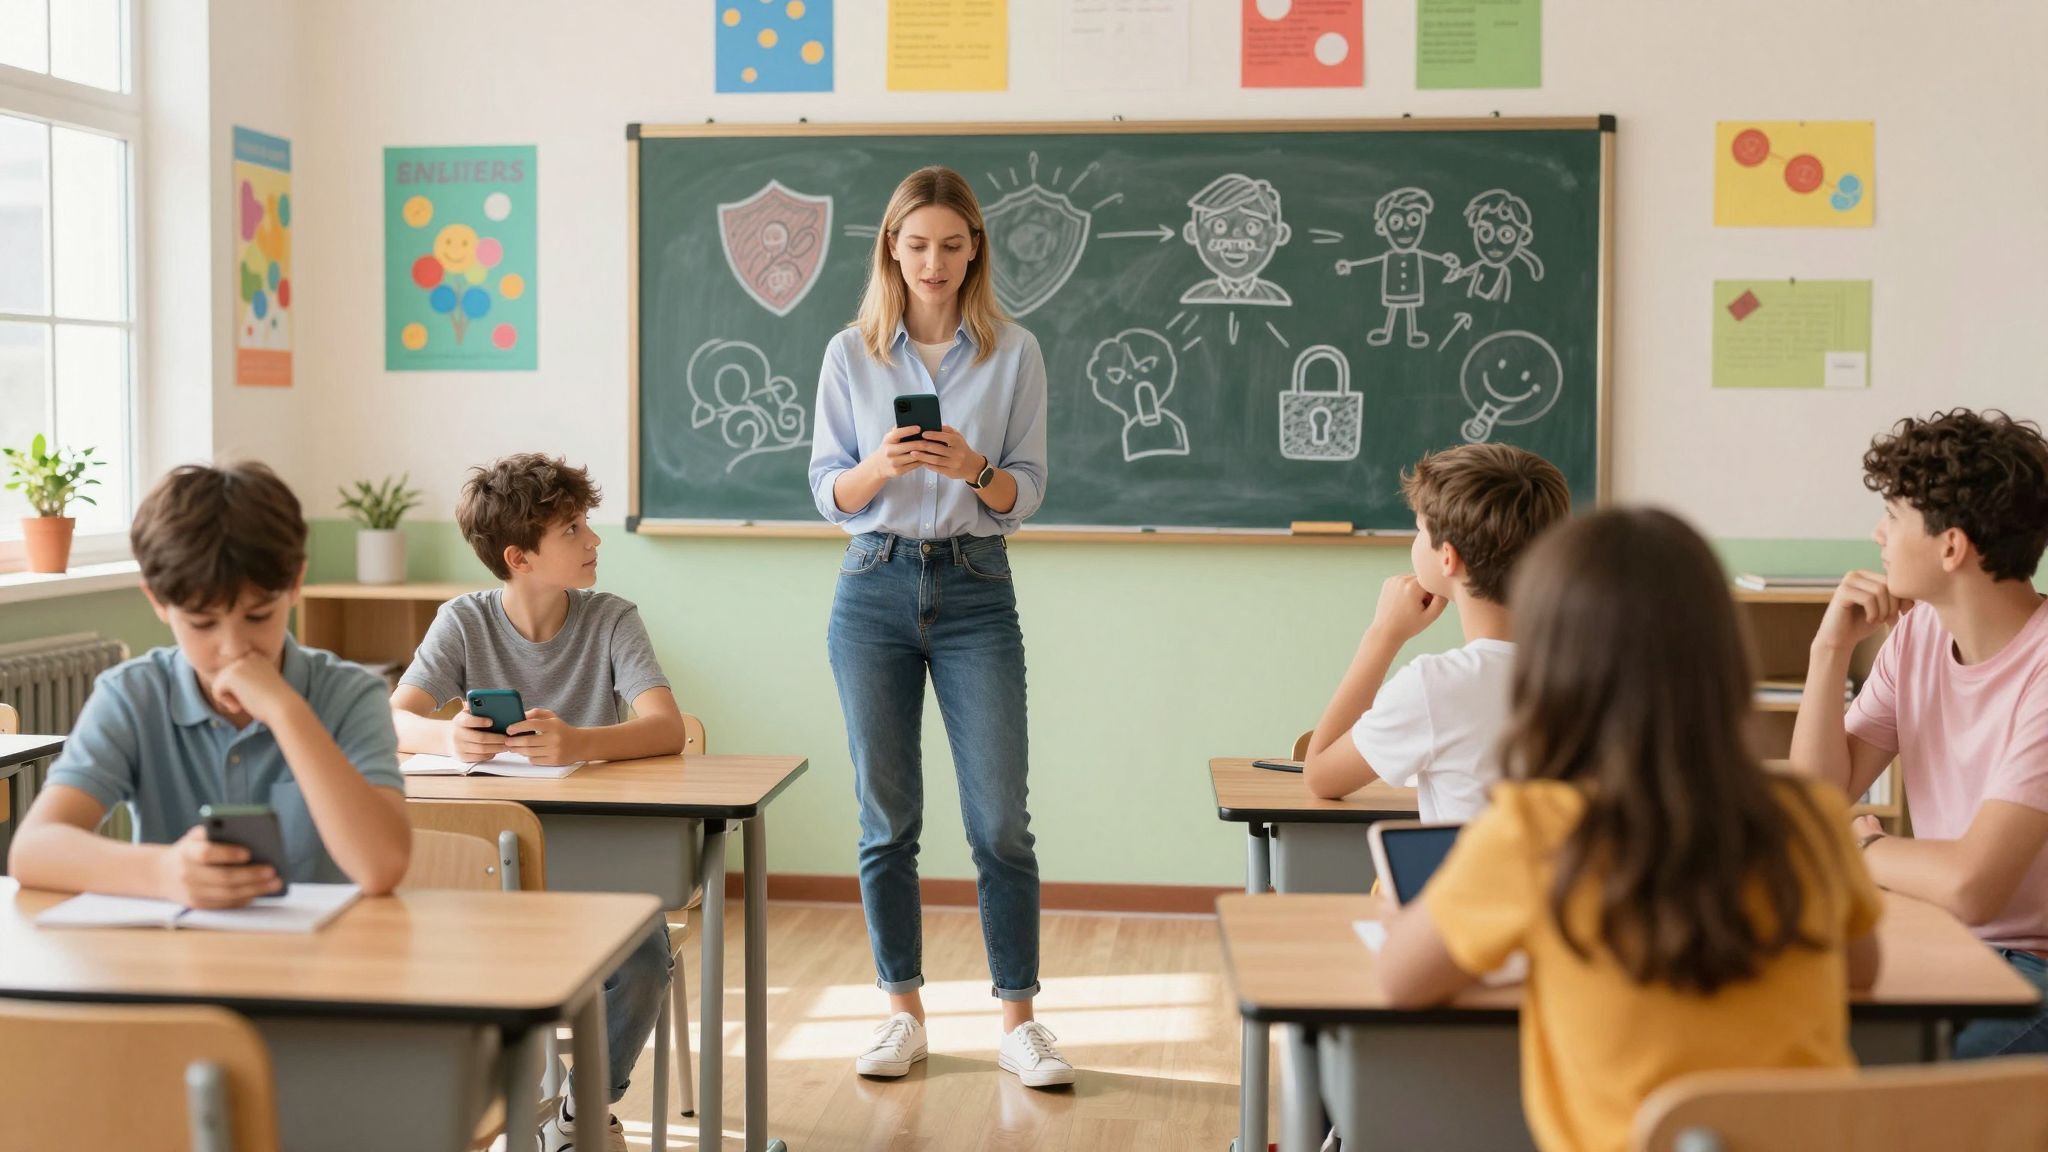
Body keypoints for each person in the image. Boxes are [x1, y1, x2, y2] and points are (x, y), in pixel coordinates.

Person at [1379, 508, 1883, 1152]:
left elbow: (1400, 980)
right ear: (1723, 652)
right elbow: (1860, 974)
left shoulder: (1532, 832)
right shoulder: (1809, 815)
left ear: (1552, 663)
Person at [807, 165, 1070, 1087]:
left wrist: (973, 466)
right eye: (917, 244)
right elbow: (827, 493)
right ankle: (901, 1011)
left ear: (975, 251)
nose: (935, 261)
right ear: (892, 247)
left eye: (953, 245)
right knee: (888, 822)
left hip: (975, 588)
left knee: (1001, 822)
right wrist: (881, 466)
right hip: (872, 584)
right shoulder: (852, 354)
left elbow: (1025, 493)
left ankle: (1019, 1020)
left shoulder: (1015, 352)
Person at [391, 452, 682, 1152]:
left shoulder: (613, 618)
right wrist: (449, 735)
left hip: (600, 862)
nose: (594, 540)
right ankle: (485, 1105)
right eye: (575, 529)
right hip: (492, 873)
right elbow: (391, 718)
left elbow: (667, 727)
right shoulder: (462, 622)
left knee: (645, 961)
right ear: (519, 557)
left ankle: (583, 1109)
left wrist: (582, 742)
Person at [9, 462, 411, 906]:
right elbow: (33, 850)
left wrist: (285, 711)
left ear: (295, 582)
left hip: (324, 962)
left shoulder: (352, 694)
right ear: (159, 603)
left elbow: (381, 866)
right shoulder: (132, 695)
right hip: (176, 960)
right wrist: (161, 873)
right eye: (202, 623)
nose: (233, 647)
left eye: (257, 616)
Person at [1790, 409, 2048, 1058]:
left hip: (2033, 971)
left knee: (1874, 1082)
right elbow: (1819, 797)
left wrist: (1864, 848)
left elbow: (1973, 885)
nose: (1878, 533)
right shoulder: (1917, 635)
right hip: (1951, 941)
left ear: (1951, 546)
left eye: (1894, 517)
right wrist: (1829, 651)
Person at [1304, 443, 1570, 820]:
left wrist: (1383, 635)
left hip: (1473, 881)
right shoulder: (1592, 673)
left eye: (1419, 530)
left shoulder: (1434, 686)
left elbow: (1320, 777)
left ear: (1448, 557)